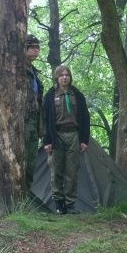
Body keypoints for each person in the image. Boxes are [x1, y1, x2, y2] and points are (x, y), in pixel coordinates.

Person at [42, 65, 90, 215]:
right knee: (56, 170)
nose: (64, 77)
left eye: (67, 75)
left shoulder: (77, 94)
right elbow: (44, 119)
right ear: (57, 77)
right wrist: (47, 141)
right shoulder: (50, 95)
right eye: (61, 75)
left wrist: (84, 140)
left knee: (72, 171)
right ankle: (59, 205)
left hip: (74, 135)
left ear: (70, 77)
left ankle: (70, 205)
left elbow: (85, 118)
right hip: (56, 136)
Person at [24, 34, 44, 189]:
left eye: (38, 47)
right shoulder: (18, 69)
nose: (36, 50)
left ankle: (25, 195)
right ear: (25, 48)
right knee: (21, 158)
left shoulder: (34, 72)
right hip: (22, 121)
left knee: (31, 160)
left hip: (34, 120)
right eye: (33, 47)